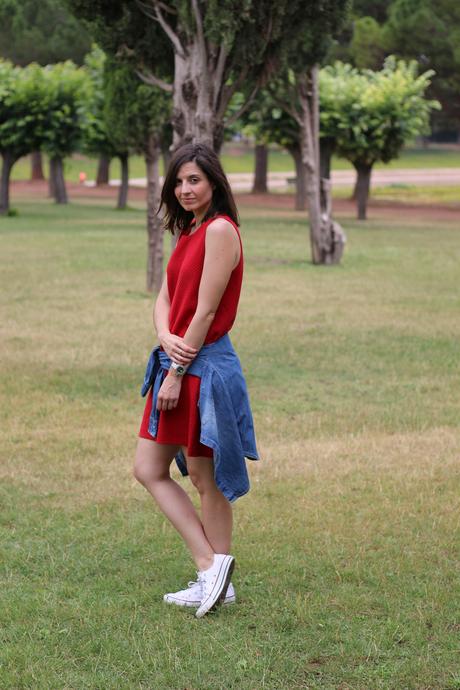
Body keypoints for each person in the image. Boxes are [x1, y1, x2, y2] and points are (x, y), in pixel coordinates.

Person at [133, 142, 258, 618]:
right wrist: (165, 337)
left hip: (202, 368)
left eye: (195, 181)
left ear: (213, 184)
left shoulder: (221, 230)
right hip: (176, 359)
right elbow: (164, 299)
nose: (185, 189)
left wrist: (178, 370)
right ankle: (211, 567)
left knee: (206, 477)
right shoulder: (188, 229)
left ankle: (215, 576)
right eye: (180, 182)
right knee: (148, 469)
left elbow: (205, 311)